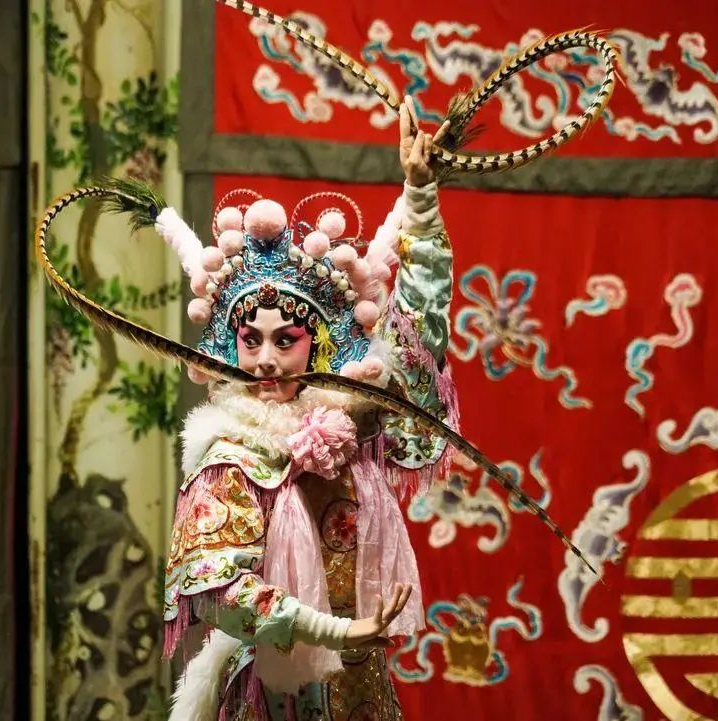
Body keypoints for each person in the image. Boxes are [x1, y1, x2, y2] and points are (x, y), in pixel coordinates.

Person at [161, 97, 457, 721]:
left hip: (361, 690)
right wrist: (336, 630)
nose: (265, 360)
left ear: (318, 343)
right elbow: (216, 589)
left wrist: (421, 200)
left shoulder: (358, 431)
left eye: (285, 340)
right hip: (272, 694)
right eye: (250, 341)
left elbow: (419, 341)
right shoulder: (229, 456)